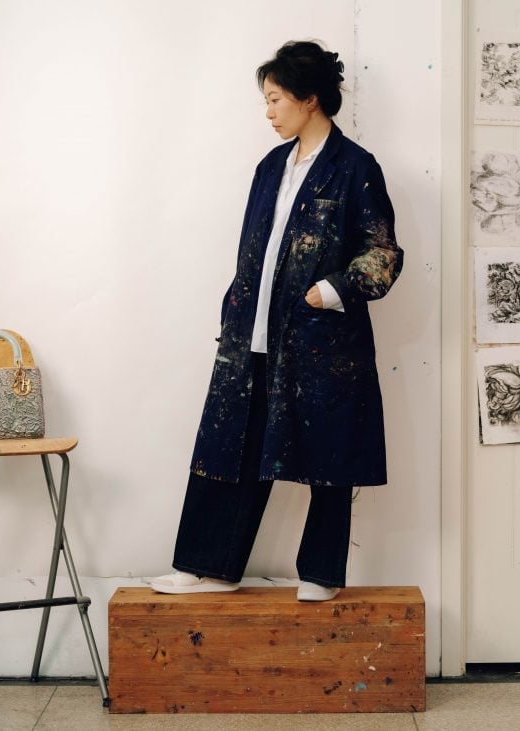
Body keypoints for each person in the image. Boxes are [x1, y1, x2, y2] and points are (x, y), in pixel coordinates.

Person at [151, 41, 403, 602]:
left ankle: (321, 575)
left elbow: (383, 255)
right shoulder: (270, 167)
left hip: (320, 336)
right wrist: (235, 311)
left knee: (329, 454)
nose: (267, 112)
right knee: (228, 444)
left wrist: (330, 291)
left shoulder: (355, 168)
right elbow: (252, 254)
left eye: (275, 99)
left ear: (309, 99)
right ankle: (209, 568)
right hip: (253, 335)